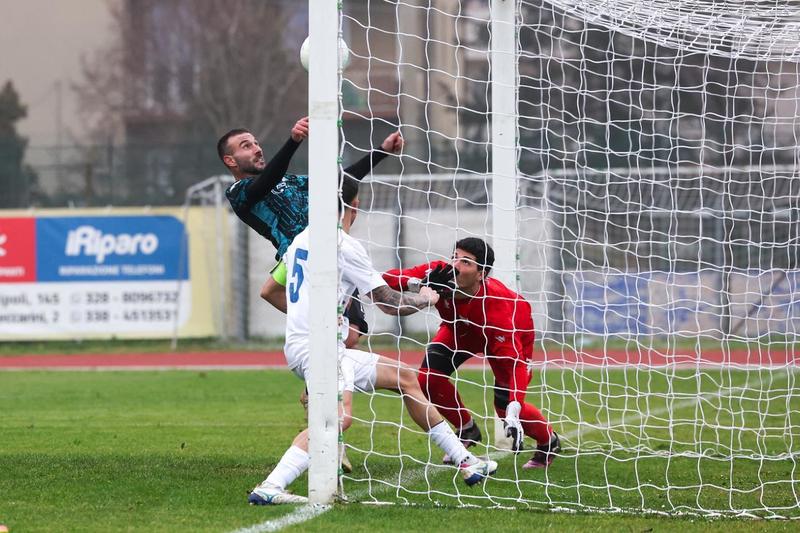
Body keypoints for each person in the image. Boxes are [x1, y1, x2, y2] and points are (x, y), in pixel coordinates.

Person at [247, 177, 498, 505]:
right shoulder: (343, 244)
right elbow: (386, 302)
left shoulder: (301, 240)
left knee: (406, 378)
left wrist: (411, 285)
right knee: (338, 418)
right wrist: (426, 298)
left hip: (316, 345)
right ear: (355, 206)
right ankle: (271, 485)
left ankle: (467, 461)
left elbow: (276, 289)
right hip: (318, 349)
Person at [382, 238, 560, 469]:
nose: (456, 265)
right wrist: (419, 283)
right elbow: (385, 279)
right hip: (459, 328)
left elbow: (515, 364)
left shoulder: (498, 309)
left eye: (465, 262)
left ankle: (549, 441)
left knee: (505, 405)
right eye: (455, 256)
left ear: (481, 274)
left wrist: (514, 408)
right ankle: (467, 429)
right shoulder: (439, 272)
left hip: (510, 333)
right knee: (427, 379)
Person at [217, 117, 403, 310]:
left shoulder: (289, 180)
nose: (257, 149)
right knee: (346, 336)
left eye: (256, 143)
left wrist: (382, 151)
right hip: (304, 262)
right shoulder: (237, 192)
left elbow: (341, 181)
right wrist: (294, 141)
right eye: (247, 146)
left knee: (349, 334)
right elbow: (265, 183)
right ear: (230, 160)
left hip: (332, 252)